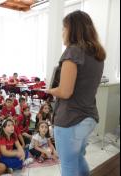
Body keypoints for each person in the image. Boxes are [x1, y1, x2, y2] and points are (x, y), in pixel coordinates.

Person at [45, 10, 106, 176]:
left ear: (73, 29)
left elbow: (65, 92)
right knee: (78, 158)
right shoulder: (97, 54)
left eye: (64, 28)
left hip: (70, 120)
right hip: (88, 117)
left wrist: (50, 90)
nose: (62, 32)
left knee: (69, 166)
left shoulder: (73, 52)